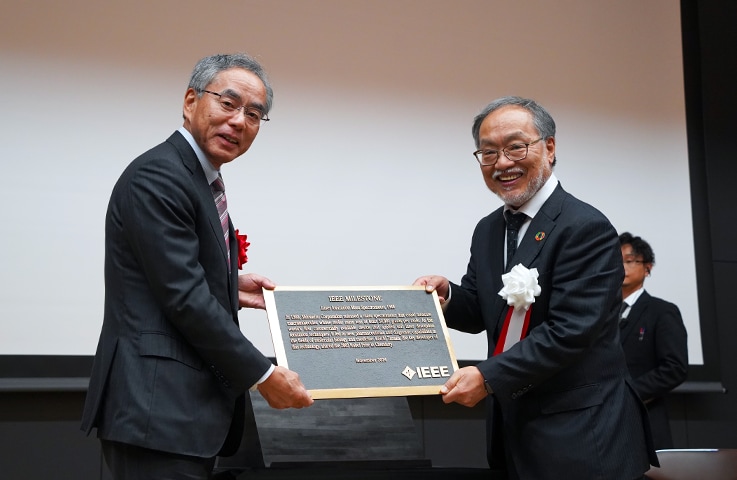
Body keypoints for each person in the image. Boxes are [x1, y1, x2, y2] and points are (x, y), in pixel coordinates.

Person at [81, 53, 314, 480]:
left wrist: (229, 284)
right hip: (156, 411)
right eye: (228, 103)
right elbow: (184, 297)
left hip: (178, 416)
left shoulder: (196, 178)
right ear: (190, 101)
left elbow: (172, 274)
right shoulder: (160, 176)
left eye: (254, 114)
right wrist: (263, 374)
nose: (240, 121)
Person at [414, 96, 658, 479]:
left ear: (549, 147)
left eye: (515, 146)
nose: (503, 163)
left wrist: (487, 376)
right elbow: (483, 309)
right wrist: (447, 297)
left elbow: (572, 331)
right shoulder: (489, 229)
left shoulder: (584, 226)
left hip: (581, 435)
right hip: (514, 428)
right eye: (489, 152)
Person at [619, 231, 688, 450]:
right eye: (616, 261)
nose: (621, 267)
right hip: (601, 424)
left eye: (629, 261)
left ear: (647, 267)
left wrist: (628, 395)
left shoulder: (662, 311)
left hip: (644, 419)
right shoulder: (601, 313)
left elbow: (674, 368)